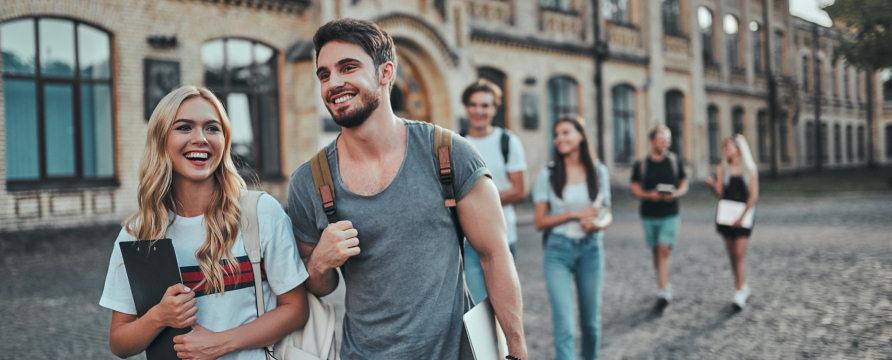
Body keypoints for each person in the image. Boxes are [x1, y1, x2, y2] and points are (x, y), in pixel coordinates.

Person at [287, 19, 528, 359]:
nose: (334, 83)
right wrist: (320, 264)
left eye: (348, 67)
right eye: (324, 74)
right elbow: (317, 286)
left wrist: (517, 350)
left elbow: (494, 256)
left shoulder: (448, 154)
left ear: (386, 73)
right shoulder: (309, 181)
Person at [99, 85, 310, 360]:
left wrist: (221, 343)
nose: (200, 138)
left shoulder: (259, 213)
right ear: (161, 139)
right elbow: (119, 343)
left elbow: (295, 308)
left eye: (212, 128)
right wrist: (158, 317)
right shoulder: (139, 233)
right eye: (184, 127)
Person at [533, 115, 611, 360]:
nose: (560, 138)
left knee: (591, 325)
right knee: (564, 326)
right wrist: (573, 215)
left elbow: (607, 212)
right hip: (558, 251)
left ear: (581, 136)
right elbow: (540, 222)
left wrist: (597, 224)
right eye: (556, 134)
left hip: (591, 250)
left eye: (566, 132)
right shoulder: (548, 174)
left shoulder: (598, 171)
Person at [460, 79, 528, 303]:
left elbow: (519, 189)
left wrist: (477, 203)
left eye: (485, 105)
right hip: (468, 241)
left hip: (503, 237)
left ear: (494, 108)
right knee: (479, 307)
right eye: (474, 104)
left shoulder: (507, 141)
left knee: (503, 304)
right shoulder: (456, 142)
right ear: (467, 107)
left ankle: (506, 340)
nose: (479, 111)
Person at [630, 125, 688, 305]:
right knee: (656, 251)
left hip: (670, 213)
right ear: (652, 141)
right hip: (649, 214)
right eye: (662, 140)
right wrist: (649, 195)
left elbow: (683, 182)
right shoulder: (642, 165)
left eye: (668, 140)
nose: (666, 143)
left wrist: (676, 194)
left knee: (664, 249)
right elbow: (634, 187)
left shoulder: (674, 161)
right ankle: (663, 282)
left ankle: (663, 290)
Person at [705, 134, 759, 309]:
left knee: (739, 253)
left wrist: (742, 217)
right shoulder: (722, 169)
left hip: (743, 216)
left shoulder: (750, 169)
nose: (726, 151)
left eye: (729, 147)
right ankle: (742, 285)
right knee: (732, 255)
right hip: (726, 217)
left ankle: (739, 292)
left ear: (738, 149)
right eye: (724, 148)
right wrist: (712, 185)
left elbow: (753, 196)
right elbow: (720, 193)